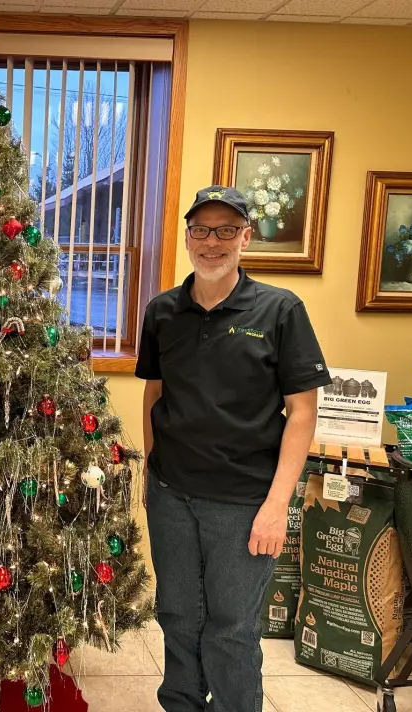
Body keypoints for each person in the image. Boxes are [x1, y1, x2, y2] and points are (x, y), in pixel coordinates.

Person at [135, 186, 330, 712]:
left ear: (246, 237)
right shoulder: (163, 312)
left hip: (244, 501)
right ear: (187, 238)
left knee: (231, 628)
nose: (212, 242)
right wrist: (151, 473)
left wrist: (277, 505)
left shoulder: (280, 310)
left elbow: (303, 412)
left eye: (226, 230)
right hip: (172, 494)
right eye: (201, 230)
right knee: (177, 615)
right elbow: (154, 395)